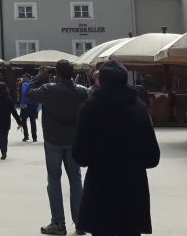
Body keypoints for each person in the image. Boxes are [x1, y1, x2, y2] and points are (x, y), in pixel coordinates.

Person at [72, 60, 160, 236]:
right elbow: (152, 157)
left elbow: (80, 155)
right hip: (132, 186)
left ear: (100, 80)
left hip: (101, 186)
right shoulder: (138, 107)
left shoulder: (90, 108)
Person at [26, 61, 89, 236]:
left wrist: (39, 76)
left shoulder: (48, 89)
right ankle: (80, 223)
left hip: (53, 139)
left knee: (54, 180)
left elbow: (28, 93)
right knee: (76, 180)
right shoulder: (82, 91)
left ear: (57, 74)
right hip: (73, 139)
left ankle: (58, 223)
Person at [0, 82, 22, 159]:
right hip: (6, 121)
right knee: (5, 136)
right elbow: (14, 111)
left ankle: (3, 151)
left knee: (0, 137)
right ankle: (5, 151)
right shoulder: (9, 99)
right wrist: (19, 121)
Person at [19, 74, 39, 142]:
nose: (23, 78)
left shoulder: (24, 84)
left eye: (24, 77)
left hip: (25, 104)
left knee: (24, 121)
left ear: (27, 77)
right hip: (33, 104)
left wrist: (22, 103)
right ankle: (34, 137)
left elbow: (24, 93)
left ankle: (26, 136)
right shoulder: (33, 84)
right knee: (32, 121)